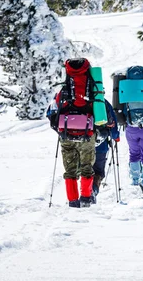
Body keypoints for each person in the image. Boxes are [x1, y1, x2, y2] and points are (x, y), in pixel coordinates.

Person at [47, 58, 98, 208]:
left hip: (66, 134)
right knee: (87, 167)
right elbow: (102, 112)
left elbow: (52, 112)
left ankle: (73, 200)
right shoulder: (93, 89)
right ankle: (86, 198)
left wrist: (58, 129)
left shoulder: (63, 91)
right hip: (87, 134)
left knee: (70, 170)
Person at [91, 100, 120, 204]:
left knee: (85, 170)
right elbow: (112, 121)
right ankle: (92, 191)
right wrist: (116, 136)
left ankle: (85, 193)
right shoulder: (102, 102)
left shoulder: (79, 98)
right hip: (100, 145)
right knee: (98, 172)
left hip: (82, 142)